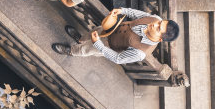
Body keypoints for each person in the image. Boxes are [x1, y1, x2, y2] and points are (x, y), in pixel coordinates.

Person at [52, 7, 180, 65]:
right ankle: (80, 39)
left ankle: (71, 51)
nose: (154, 24)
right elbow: (137, 14)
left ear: (160, 39)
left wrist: (99, 45)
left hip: (107, 45)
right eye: (159, 23)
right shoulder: (155, 18)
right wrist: (123, 10)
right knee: (93, 31)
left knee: (87, 49)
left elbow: (118, 59)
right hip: (112, 27)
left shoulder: (141, 53)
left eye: (158, 28)